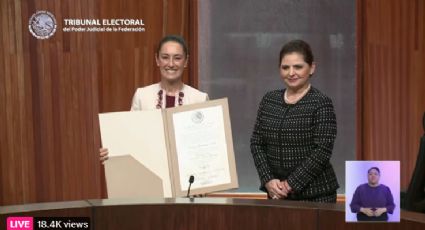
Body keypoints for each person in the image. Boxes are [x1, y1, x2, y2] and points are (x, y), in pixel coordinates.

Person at [250, 39, 339, 202]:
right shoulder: (269, 100)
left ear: (311, 68)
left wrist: (289, 185)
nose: (291, 73)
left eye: (298, 67)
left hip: (317, 197)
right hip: (276, 194)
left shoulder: (321, 102)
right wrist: (268, 180)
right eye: (285, 67)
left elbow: (322, 151)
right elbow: (257, 143)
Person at [99, 35, 209, 162]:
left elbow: (206, 145)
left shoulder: (200, 99)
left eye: (177, 58)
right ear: (157, 60)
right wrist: (111, 152)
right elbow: (130, 137)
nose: (171, 64)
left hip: (188, 173)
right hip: (150, 172)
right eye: (165, 57)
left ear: (186, 61)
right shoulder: (142, 96)